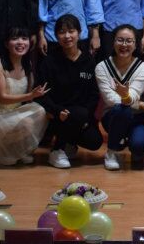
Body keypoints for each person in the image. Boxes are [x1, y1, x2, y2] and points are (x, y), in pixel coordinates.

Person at [35, 14, 103, 169]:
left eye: (71, 31)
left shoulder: (88, 61)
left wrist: (86, 116)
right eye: (62, 32)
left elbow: (94, 94)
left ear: (79, 33)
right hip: (55, 115)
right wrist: (57, 110)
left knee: (95, 141)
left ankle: (69, 143)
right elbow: (41, 94)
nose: (67, 36)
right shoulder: (49, 61)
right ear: (56, 36)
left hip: (81, 114)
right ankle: (57, 150)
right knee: (72, 115)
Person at [0, 27, 49, 166]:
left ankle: (18, 150)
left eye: (24, 39)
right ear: (6, 44)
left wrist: (35, 94)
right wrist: (30, 95)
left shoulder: (27, 64)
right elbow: (2, 98)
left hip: (13, 111)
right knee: (7, 159)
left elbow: (29, 95)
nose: (20, 42)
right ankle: (3, 149)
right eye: (15, 39)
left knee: (39, 111)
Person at [95, 24, 144, 170]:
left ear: (136, 44)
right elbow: (110, 100)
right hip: (113, 115)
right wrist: (140, 104)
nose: (124, 45)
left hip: (138, 118)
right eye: (120, 40)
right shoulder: (102, 67)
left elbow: (132, 97)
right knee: (122, 109)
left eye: (129, 41)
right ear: (113, 42)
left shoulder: (143, 68)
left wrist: (129, 99)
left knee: (139, 146)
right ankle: (111, 151)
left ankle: (128, 141)